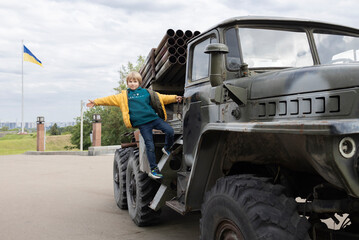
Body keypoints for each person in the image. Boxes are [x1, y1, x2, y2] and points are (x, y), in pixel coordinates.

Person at [87, 71, 182, 179]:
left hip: (154, 119)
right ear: (127, 83)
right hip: (143, 124)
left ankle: (167, 148)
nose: (132, 84)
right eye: (130, 82)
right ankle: (154, 169)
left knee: (170, 131)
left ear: (139, 82)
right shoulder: (123, 96)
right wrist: (95, 102)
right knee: (149, 145)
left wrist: (175, 98)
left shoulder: (147, 92)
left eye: (135, 81)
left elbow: (162, 98)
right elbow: (109, 99)